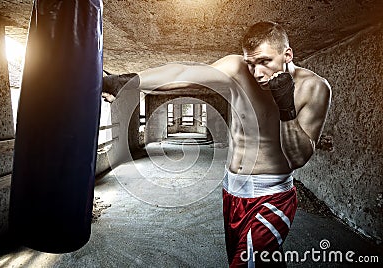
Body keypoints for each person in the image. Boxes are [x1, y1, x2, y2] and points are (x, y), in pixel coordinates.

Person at [102, 21, 331, 267]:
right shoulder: (237, 68)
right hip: (232, 191)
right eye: (251, 63)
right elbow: (184, 73)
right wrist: (126, 81)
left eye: (265, 61)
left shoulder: (314, 88)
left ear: (287, 54)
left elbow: (298, 158)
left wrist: (286, 106)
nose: (256, 73)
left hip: (271, 197)